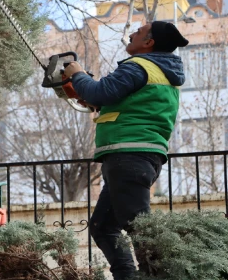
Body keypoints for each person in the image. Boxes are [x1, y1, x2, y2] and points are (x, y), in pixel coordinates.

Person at [64, 21, 188, 280]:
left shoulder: (139, 66)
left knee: (140, 230)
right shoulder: (163, 71)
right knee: (103, 227)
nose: (132, 34)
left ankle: (157, 275)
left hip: (128, 155)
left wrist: (77, 73)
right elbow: (112, 98)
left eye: (139, 31)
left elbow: (101, 91)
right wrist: (90, 96)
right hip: (138, 156)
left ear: (149, 42)